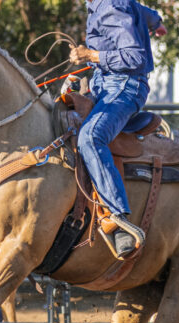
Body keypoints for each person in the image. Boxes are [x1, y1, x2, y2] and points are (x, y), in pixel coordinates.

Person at [69, 0, 167, 257]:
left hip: (124, 86)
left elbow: (135, 57)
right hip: (105, 83)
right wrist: (157, 25)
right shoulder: (109, 3)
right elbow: (147, 14)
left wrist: (90, 56)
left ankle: (118, 220)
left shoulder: (109, 6)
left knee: (90, 137)